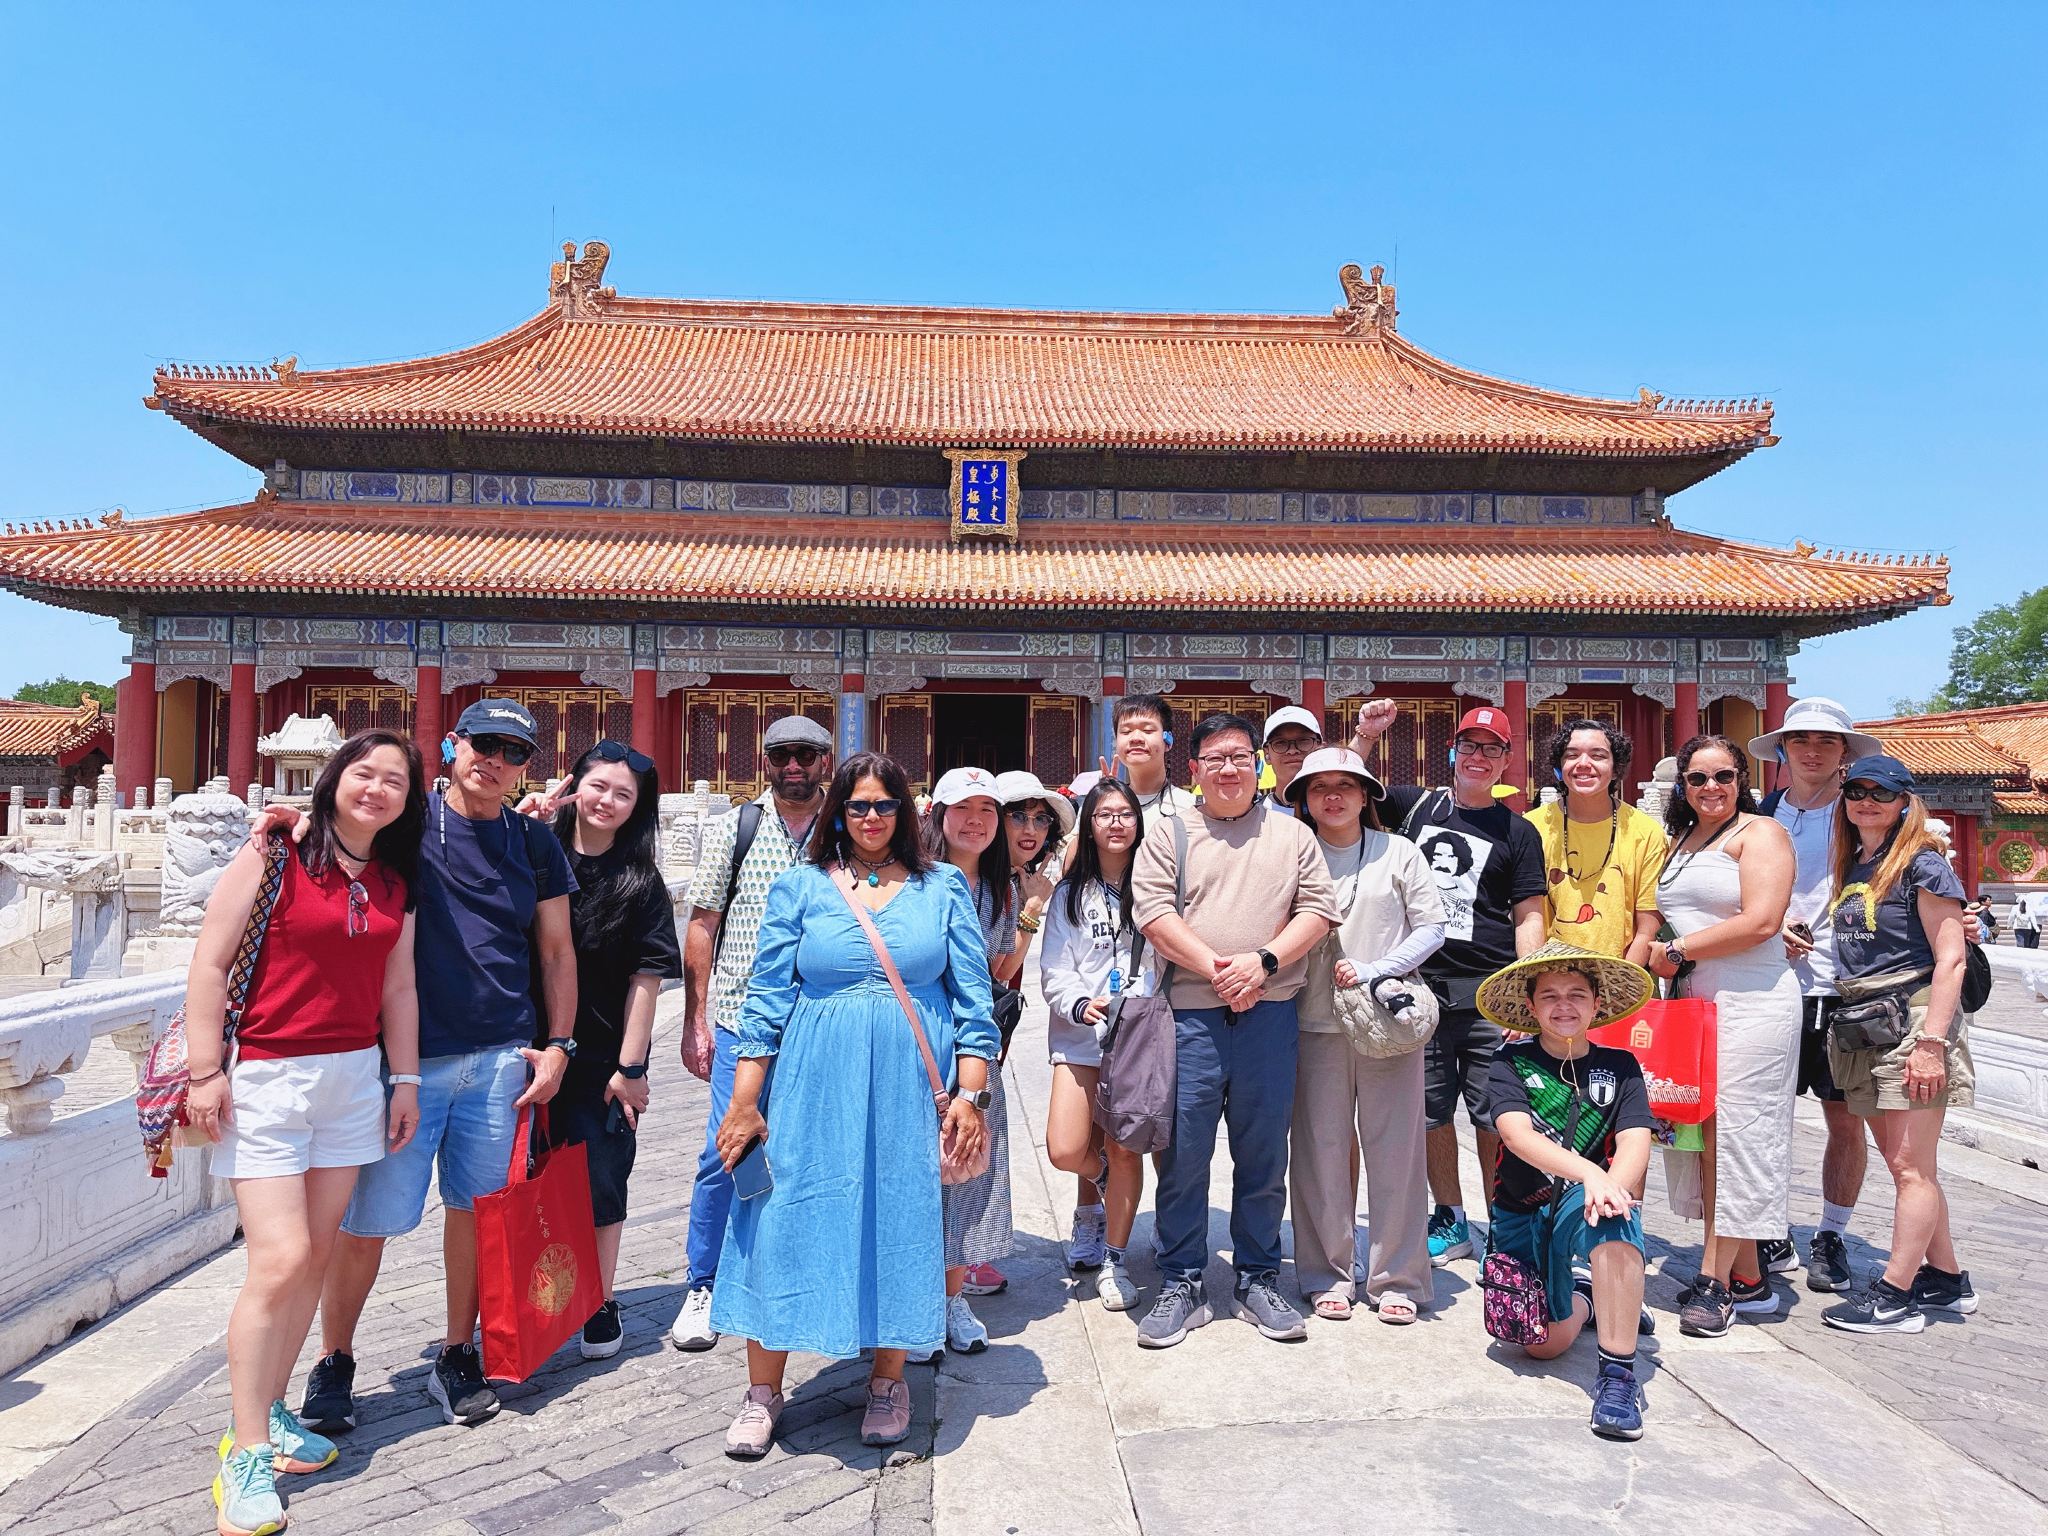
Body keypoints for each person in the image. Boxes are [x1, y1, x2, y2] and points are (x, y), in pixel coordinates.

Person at [261, 698, 577, 1433]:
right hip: (406, 1064)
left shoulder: (534, 844)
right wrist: (288, 822)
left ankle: (456, 1350)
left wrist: (558, 1047)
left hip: (500, 1058)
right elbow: (331, 835)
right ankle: (334, 1359)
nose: (495, 761)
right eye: (484, 744)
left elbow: (557, 952)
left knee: (475, 1213)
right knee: (369, 1221)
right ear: (454, 746)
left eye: (514, 751)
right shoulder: (407, 833)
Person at [710, 752, 996, 1455]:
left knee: (900, 1216)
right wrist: (745, 1100)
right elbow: (767, 998)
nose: (871, 818)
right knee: (779, 1219)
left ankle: (887, 1380)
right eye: (858, 806)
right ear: (838, 811)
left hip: (909, 1086)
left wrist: (970, 1094)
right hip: (813, 1082)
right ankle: (762, 1390)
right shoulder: (800, 887)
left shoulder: (943, 888)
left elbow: (974, 1001)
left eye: (884, 805)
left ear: (906, 813)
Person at [190, 730, 426, 1536]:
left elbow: (398, 988)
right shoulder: (276, 854)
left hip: (354, 1079)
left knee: (317, 1257)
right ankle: (244, 1450)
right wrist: (201, 1071)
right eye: (364, 772)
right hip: (267, 1078)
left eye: (395, 780)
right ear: (332, 780)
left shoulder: (395, 880)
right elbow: (210, 965)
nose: (378, 789)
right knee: (282, 1258)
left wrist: (406, 1080)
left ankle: (273, 1410)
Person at [1131, 712, 1339, 1347]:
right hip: (1190, 1016)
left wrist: (1264, 963)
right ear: (1193, 769)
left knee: (1263, 1153)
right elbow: (1153, 912)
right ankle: (1182, 1279)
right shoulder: (1169, 832)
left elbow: (1318, 910)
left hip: (1270, 1015)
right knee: (1185, 1154)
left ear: (1261, 764)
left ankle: (1256, 1276)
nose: (1229, 767)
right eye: (1215, 758)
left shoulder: (1292, 834)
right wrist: (1219, 968)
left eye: (1241, 756)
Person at [1352, 700, 1548, 1266]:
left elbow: (1528, 914)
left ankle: (1500, 1221)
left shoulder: (1518, 831)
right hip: (1421, 984)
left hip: (1489, 988)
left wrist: (1524, 994)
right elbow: (1354, 784)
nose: (1479, 757)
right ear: (1452, 751)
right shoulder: (1417, 806)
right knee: (1432, 1110)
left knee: (1497, 1113)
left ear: (1508, 759)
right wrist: (1366, 735)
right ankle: (1451, 1217)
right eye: (1469, 746)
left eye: (1492, 749)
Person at [670, 713, 832, 1352]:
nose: (793, 766)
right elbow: (704, 924)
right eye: (781, 754)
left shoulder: (844, 829)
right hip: (742, 1021)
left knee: (811, 1153)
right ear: (764, 760)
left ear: (825, 760)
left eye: (805, 754)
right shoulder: (736, 829)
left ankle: (795, 1269)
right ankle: (704, 1281)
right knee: (725, 1151)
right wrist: (695, 1021)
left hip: (819, 1020)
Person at [1284, 748, 1445, 1323]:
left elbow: (1432, 927)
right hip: (1313, 1021)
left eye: (1345, 786)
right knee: (1320, 1150)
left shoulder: (1397, 851)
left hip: (1388, 1024)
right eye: (1319, 786)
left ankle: (1397, 1275)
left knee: (1396, 1150)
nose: (1333, 796)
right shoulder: (1292, 852)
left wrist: (1381, 968)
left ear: (1366, 794)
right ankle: (1326, 1271)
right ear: (1302, 797)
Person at [1819, 755, 1978, 1333]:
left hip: (1911, 1019)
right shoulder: (1857, 862)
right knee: (1904, 1163)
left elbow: (1951, 957)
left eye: (1881, 793)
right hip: (1865, 1018)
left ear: (1905, 800)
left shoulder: (1922, 865)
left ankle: (1895, 1294)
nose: (1867, 801)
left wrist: (1931, 1042)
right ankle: (1946, 1280)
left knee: (1912, 1167)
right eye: (1856, 790)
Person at [1648, 735, 1799, 1339]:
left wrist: (1677, 950)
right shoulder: (1682, 841)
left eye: (1724, 776)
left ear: (1743, 779)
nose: (1712, 788)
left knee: (1739, 1135)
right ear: (1681, 785)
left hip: (1752, 1001)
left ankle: (1714, 1283)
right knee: (1706, 1135)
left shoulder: (1761, 834)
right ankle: (1748, 1277)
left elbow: (1763, 921)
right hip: (1693, 1003)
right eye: (1698, 778)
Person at [1475, 943, 1657, 1442]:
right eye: (1550, 995)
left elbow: (1636, 1139)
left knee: (1619, 1220)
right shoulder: (1510, 1060)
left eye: (1577, 994)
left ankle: (1618, 1377)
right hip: (1524, 1209)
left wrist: (1610, 1190)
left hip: (1587, 1201)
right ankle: (1589, 1298)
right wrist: (1590, 1173)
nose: (1564, 1005)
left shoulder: (1621, 1066)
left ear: (1598, 1003)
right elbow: (1518, 1136)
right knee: (1541, 1346)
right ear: (1531, 1008)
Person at [541, 741, 682, 1359]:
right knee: (523, 1178)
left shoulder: (640, 882)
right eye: (598, 786)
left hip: (598, 1058)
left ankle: (597, 1297)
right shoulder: (531, 853)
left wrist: (632, 1067)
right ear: (574, 785)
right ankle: (532, 1296)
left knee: (602, 1181)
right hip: (523, 1048)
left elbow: (645, 981)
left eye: (623, 795)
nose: (607, 802)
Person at [1749, 699, 1882, 1291]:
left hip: (1843, 985)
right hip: (1772, 983)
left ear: (1845, 754)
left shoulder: (1865, 814)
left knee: (1844, 1119)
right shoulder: (1763, 814)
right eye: (1799, 739)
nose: (1810, 751)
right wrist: (1772, 924)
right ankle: (1769, 1227)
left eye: (1826, 742)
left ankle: (1831, 1233)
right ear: (1781, 749)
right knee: (1765, 1118)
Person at [1040, 776, 1152, 1310]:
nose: (1115, 823)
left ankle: (1114, 1256)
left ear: (1138, 822)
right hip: (1081, 1034)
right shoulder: (1069, 894)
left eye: (1124, 813)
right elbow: (1054, 969)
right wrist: (1081, 1005)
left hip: (1139, 1032)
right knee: (1067, 1148)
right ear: (1088, 824)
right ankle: (1099, 1183)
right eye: (1103, 814)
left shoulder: (1156, 886)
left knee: (1125, 1144)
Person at [924, 766, 1018, 1350]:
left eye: (988, 810)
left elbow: (1000, 973)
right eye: (963, 808)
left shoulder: (1000, 889)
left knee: (964, 1177)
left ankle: (953, 1300)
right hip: (922, 1045)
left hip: (975, 1051)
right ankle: (914, 1304)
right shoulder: (916, 879)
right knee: (917, 1180)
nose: (976, 821)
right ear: (938, 815)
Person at [998, 769, 1103, 1268]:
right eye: (1017, 815)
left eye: (1041, 819)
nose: (1030, 827)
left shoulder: (1027, 877)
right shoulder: (980, 876)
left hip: (999, 1018)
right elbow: (1002, 969)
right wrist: (1032, 909)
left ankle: (1094, 1213)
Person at [1527, 720, 1665, 966]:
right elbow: (1526, 916)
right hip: (1547, 976)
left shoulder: (1645, 832)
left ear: (1615, 768)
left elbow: (1647, 927)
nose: (1583, 764)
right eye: (1572, 756)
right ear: (1560, 766)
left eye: (1598, 755)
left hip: (1622, 974)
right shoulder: (1532, 828)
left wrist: (1621, 984)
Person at [1108, 692, 1198, 824]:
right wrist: (1102, 801)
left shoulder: (1192, 808)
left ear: (1168, 740)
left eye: (1148, 730)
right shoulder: (1100, 805)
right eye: (1126, 731)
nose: (1136, 738)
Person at [1260, 705, 1325, 808]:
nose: (1292, 750)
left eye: (1303, 741)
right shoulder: (1253, 817)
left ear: (1320, 747)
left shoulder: (1339, 813)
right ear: (1266, 754)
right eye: (1280, 743)